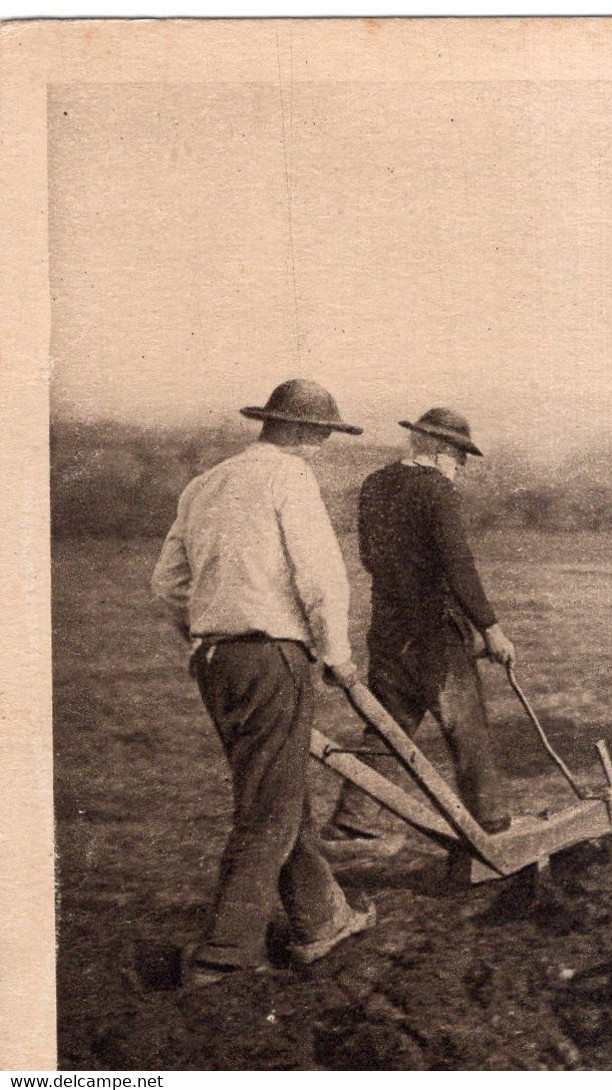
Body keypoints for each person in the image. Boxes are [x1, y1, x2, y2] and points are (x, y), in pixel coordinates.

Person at [150, 379, 376, 988]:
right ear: (301, 431)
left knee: (272, 791)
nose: (324, 445)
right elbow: (322, 575)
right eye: (324, 434)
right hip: (272, 656)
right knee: (268, 810)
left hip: (213, 658)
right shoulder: (290, 479)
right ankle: (221, 957)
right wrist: (338, 656)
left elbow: (167, 584)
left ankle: (321, 920)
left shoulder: (204, 485)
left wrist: (205, 633)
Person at [320, 407, 516, 858]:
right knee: (466, 724)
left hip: (388, 627)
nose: (461, 464)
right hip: (435, 633)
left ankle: (354, 822)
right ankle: (492, 824)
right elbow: (457, 564)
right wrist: (492, 630)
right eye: (459, 453)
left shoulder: (375, 484)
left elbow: (372, 557)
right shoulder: (437, 490)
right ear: (439, 448)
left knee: (388, 727)